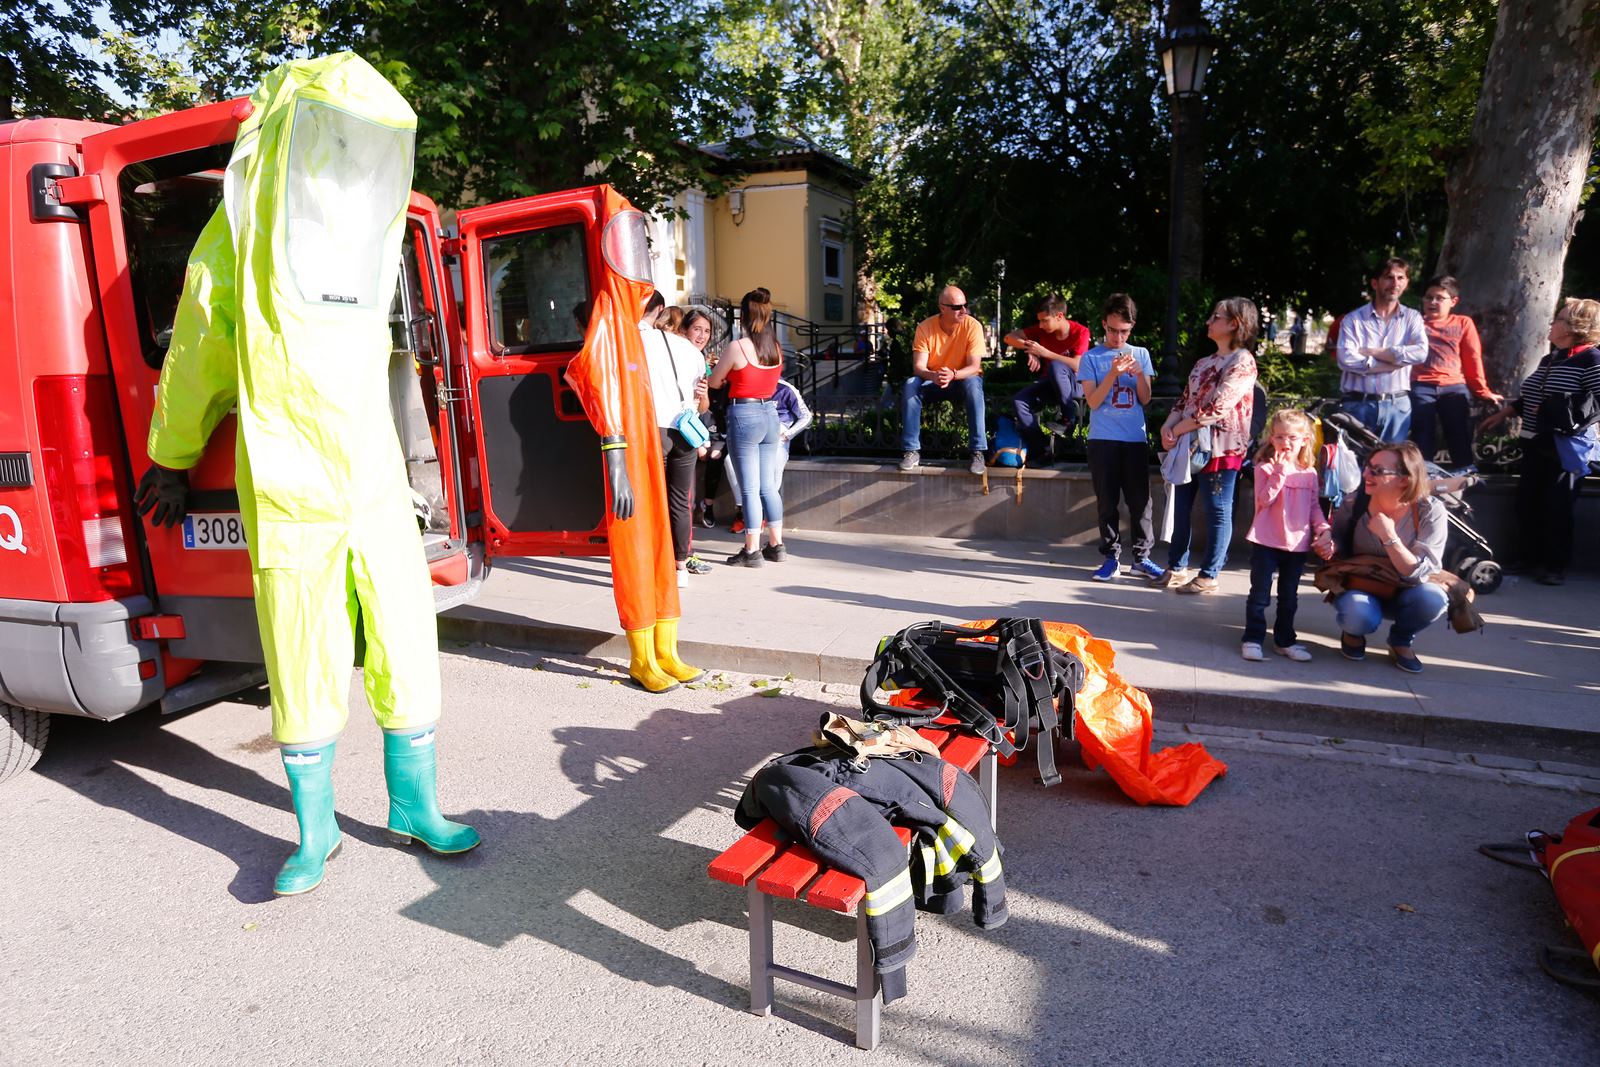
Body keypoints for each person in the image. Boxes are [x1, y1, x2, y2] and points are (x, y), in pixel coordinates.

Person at [132, 54, 479, 898]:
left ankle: (414, 806)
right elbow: (198, 351)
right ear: (291, 136)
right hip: (287, 470)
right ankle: (314, 831)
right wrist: (171, 456)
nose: (348, 156)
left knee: (404, 629)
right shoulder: (238, 234)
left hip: (367, 469)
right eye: (334, 136)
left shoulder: (365, 226)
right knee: (301, 648)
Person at [563, 192, 702, 693]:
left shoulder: (630, 323)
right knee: (635, 549)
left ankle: (666, 648)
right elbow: (598, 386)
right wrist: (616, 459)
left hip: (648, 443)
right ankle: (642, 656)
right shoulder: (608, 319)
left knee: (660, 545)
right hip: (627, 447)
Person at [1479, 297, 1600, 585]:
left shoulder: (1592, 359)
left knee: (1557, 508)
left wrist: (1557, 410)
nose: (1551, 323)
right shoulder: (1552, 357)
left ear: (1574, 327)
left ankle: (1554, 566)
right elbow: (1535, 394)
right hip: (1534, 442)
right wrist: (1508, 411)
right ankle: (1527, 559)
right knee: (1528, 504)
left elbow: (1595, 402)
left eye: (1558, 319)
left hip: (1564, 447)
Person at [1159, 298, 1261, 594]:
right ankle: (1177, 567)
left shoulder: (1243, 361)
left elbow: (1218, 407)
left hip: (1222, 447)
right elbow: (1186, 400)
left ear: (1234, 324)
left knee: (1217, 510)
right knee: (1181, 507)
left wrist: (1177, 428)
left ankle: (1209, 574)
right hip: (1189, 444)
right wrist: (1168, 425)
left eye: (1216, 317)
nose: (1209, 321)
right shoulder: (1204, 362)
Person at [1326, 442, 1449, 673]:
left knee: (1434, 599)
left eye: (1377, 471)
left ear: (1405, 479)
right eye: (1367, 467)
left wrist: (1389, 536)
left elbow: (1421, 571)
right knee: (1358, 615)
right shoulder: (1355, 503)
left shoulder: (1429, 510)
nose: (1366, 474)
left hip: (1408, 590)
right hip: (1361, 585)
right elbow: (1339, 544)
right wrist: (1328, 544)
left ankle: (1401, 640)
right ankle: (1354, 632)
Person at [1078, 293, 1161, 582]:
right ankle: (1111, 558)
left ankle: (1142, 558)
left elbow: (1146, 398)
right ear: (1104, 325)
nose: (1117, 337)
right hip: (1103, 439)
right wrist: (1113, 373)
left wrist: (1139, 375)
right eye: (1112, 330)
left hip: (1134, 440)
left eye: (1123, 331)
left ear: (1132, 327)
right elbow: (1093, 401)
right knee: (1107, 501)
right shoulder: (1091, 357)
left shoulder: (1141, 354)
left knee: (1141, 501)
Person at [1240, 409, 1333, 662]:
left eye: (1292, 437)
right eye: (1280, 437)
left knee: (1289, 597)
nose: (1285, 443)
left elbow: (1314, 507)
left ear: (1304, 439)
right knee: (1260, 595)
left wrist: (1323, 528)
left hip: (1297, 544)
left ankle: (1284, 640)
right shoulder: (1265, 467)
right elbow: (1264, 500)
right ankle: (1252, 637)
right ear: (1271, 438)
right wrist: (1280, 472)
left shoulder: (1309, 472)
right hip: (1266, 540)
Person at [708, 288, 787, 566]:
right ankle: (776, 545)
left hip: (745, 414)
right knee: (768, 487)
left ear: (743, 314)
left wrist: (725, 373)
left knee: (750, 489)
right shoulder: (775, 349)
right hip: (770, 415)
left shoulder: (738, 347)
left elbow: (715, 382)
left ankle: (752, 550)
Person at [640, 293, 712, 587]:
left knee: (651, 499)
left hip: (655, 427)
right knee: (680, 501)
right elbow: (701, 402)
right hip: (686, 431)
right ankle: (680, 565)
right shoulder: (693, 353)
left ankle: (653, 563)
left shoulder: (642, 341)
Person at [1412, 276, 1502, 470]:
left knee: (1458, 433)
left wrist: (1482, 391)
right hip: (1420, 385)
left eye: (1439, 298)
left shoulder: (1463, 323)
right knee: (1422, 434)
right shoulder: (1414, 322)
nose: (1432, 302)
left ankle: (1466, 475)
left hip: (1453, 386)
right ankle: (1423, 476)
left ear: (1453, 301)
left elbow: (1473, 358)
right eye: (1428, 297)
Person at [898, 286, 988, 474]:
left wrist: (953, 375)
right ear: (942, 308)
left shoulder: (973, 326)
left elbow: (973, 366)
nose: (963, 311)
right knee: (910, 385)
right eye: (957, 307)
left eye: (965, 305)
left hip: (963, 379)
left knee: (974, 383)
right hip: (934, 380)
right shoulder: (925, 327)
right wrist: (934, 376)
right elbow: (919, 367)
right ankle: (911, 450)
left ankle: (978, 451)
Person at [1336, 257, 1427, 442]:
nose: (1395, 283)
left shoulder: (1412, 318)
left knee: (1391, 467)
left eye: (1401, 278)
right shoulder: (1353, 320)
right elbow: (1345, 359)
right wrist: (1394, 362)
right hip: (1358, 404)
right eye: (1388, 277)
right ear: (1375, 283)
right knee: (1354, 466)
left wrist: (1373, 352)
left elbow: (1420, 353)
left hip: (1397, 406)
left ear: (1407, 283)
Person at [1003, 293, 1091, 462]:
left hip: (1073, 385)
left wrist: (1045, 353)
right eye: (1039, 321)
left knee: (1057, 366)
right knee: (1019, 401)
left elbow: (1077, 365)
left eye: (1045, 321)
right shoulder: (1042, 330)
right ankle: (1043, 447)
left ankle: (1068, 421)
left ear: (1059, 316)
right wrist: (1030, 348)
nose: (1041, 326)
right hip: (1049, 383)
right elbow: (1009, 337)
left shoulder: (1080, 332)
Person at [679, 309, 723, 532]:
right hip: (672, 430)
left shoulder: (700, 360)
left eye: (707, 331)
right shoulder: (676, 355)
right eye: (697, 329)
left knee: (684, 493)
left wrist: (703, 394)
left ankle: (683, 548)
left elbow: (703, 407)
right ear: (684, 330)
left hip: (691, 429)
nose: (702, 335)